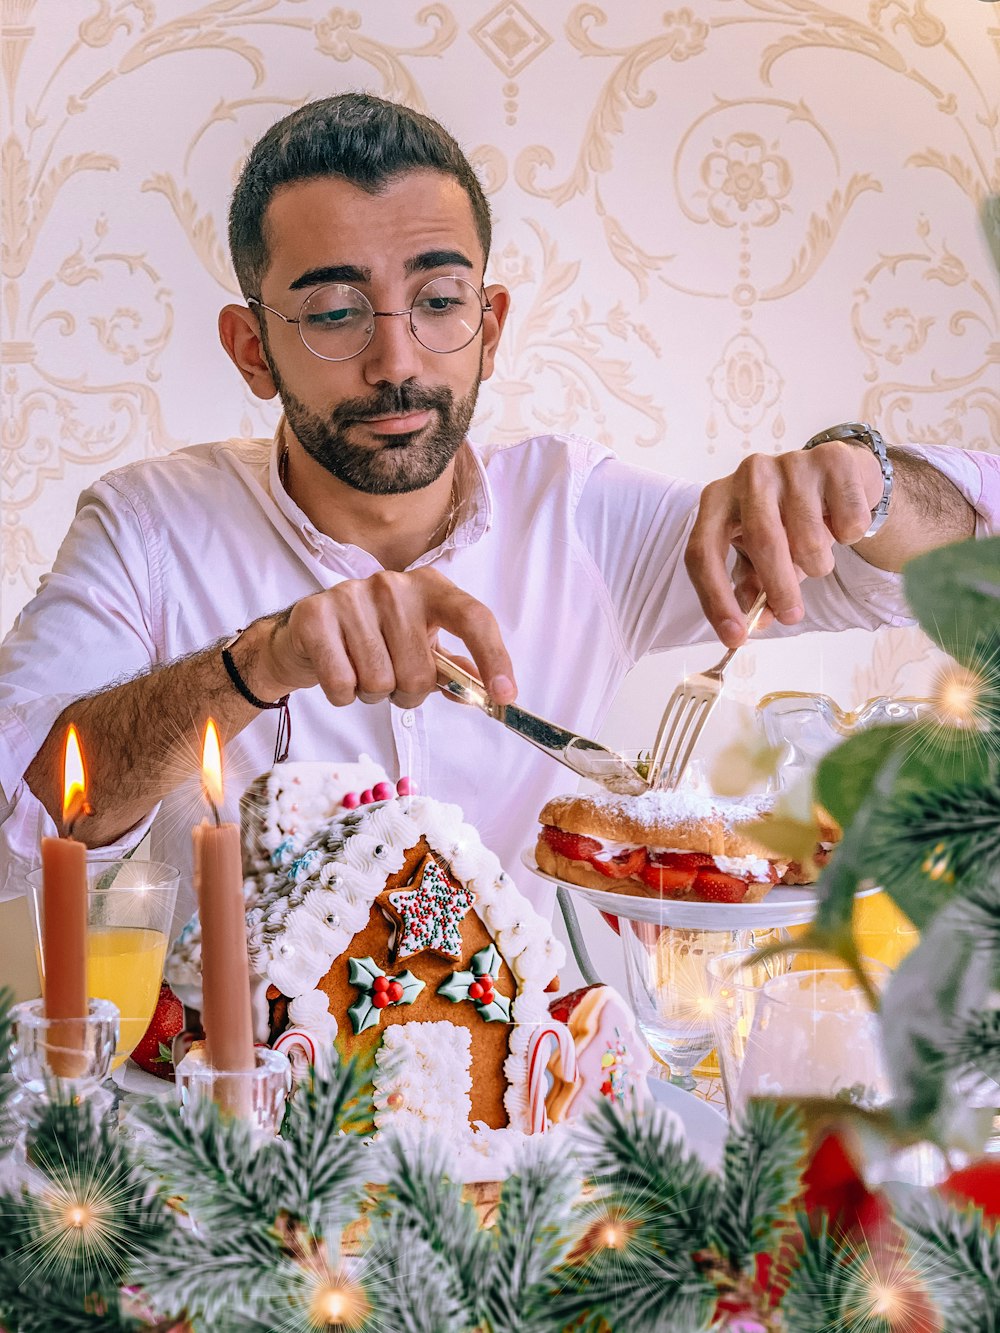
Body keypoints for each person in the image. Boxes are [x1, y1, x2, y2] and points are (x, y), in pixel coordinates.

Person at [1, 93, 997, 932]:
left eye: (437, 301)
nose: (396, 361)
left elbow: (963, 564)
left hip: (535, 1119)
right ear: (252, 348)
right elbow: (18, 825)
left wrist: (862, 481)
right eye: (336, 312)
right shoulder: (146, 529)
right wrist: (256, 663)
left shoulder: (582, 519)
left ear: (491, 323)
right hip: (238, 1138)